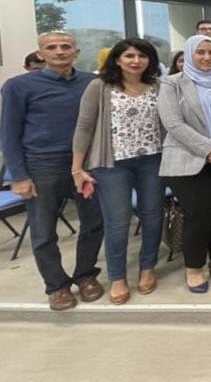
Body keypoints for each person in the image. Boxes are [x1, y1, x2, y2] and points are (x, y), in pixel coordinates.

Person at [1, 31, 104, 311]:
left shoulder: (92, 82)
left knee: (94, 222)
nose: (59, 52)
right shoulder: (18, 86)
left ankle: (85, 275)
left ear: (76, 51)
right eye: (52, 48)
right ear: (41, 53)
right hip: (42, 164)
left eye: (65, 47)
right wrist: (18, 176)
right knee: (44, 230)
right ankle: (56, 286)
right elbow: (9, 134)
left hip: (86, 163)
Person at [71, 38, 163, 305]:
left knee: (153, 215)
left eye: (142, 56)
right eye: (129, 56)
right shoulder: (99, 87)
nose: (136, 61)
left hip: (152, 160)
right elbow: (84, 127)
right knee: (118, 222)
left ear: (150, 60)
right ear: (117, 59)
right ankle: (118, 277)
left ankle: (147, 268)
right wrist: (77, 168)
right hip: (111, 165)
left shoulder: (158, 87)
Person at [157, 35, 211, 293]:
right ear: (188, 55)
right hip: (188, 160)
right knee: (199, 214)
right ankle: (194, 267)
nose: (207, 57)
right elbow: (172, 123)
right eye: (200, 53)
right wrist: (208, 149)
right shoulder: (171, 83)